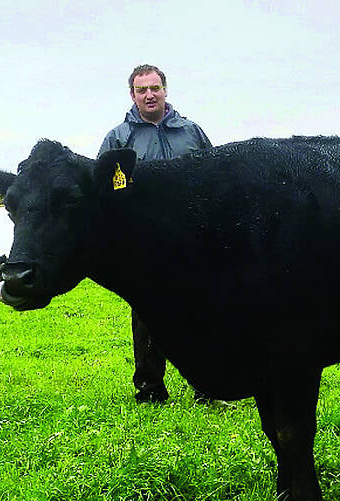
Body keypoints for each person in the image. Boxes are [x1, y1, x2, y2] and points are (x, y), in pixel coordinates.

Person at [99, 64, 212, 403]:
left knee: (202, 312)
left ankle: (206, 384)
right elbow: (103, 189)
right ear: (132, 95)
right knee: (148, 315)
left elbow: (214, 178)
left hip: (192, 239)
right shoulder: (119, 138)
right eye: (141, 90)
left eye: (155, 88)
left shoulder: (192, 132)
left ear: (165, 90)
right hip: (143, 242)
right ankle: (149, 387)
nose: (149, 95)